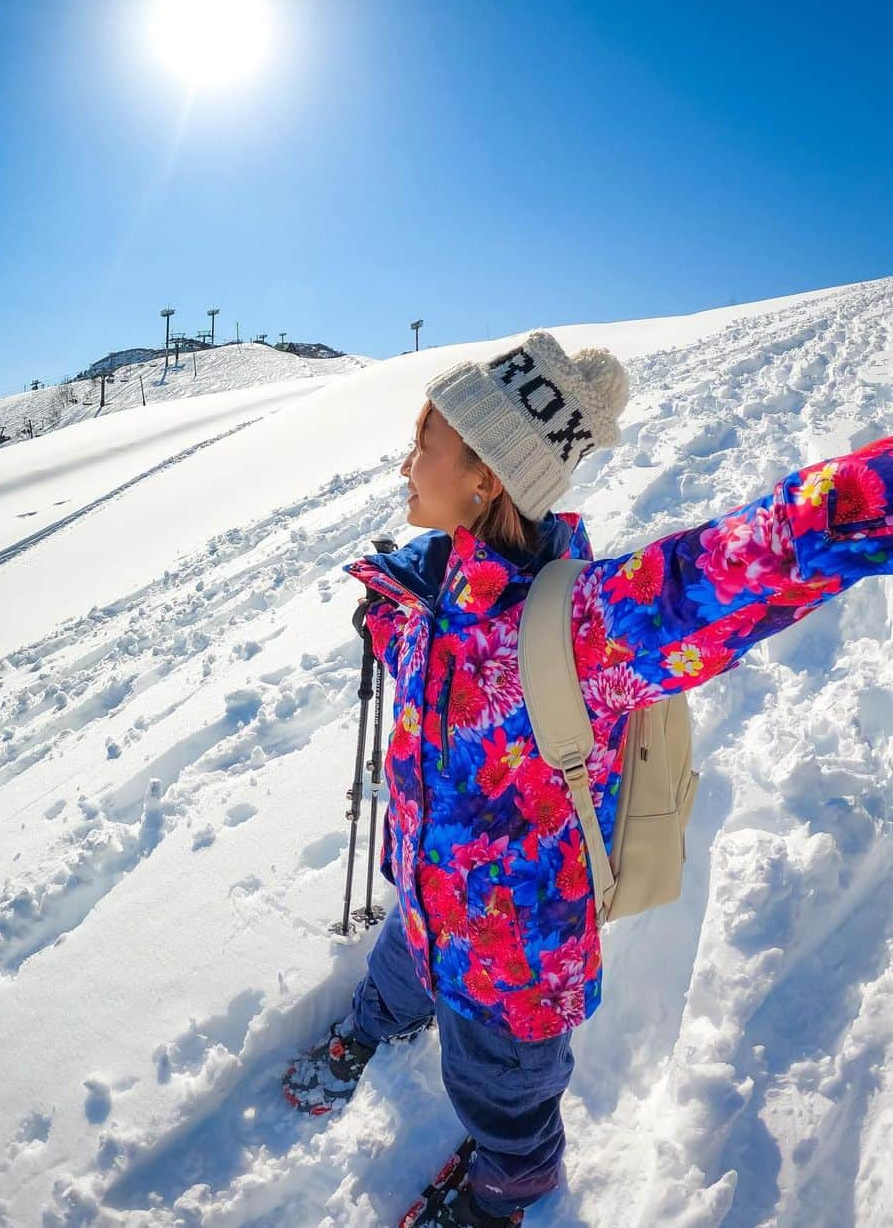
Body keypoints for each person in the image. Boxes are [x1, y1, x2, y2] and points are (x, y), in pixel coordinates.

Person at [282, 330, 893, 1226]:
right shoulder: (430, 587)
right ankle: (378, 1019)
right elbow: (428, 657)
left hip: (514, 965)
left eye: (426, 444)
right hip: (425, 898)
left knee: (502, 1097)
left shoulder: (584, 627)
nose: (405, 462)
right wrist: (385, 616)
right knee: (402, 963)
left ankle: (508, 1186)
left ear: (486, 478)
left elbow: (741, 564)